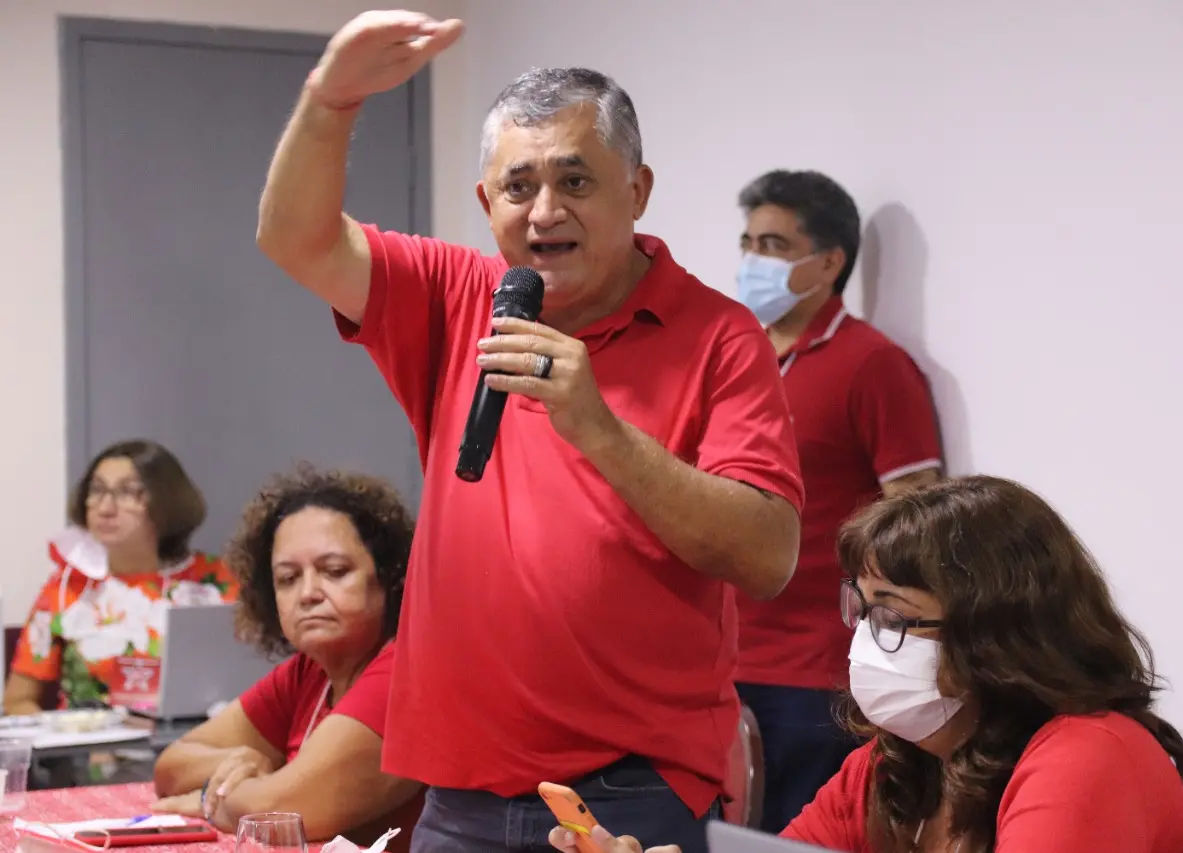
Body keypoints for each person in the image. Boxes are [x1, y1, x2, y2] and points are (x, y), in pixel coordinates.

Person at [254, 10, 804, 853]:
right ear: (487, 202)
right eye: (518, 187)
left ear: (638, 190)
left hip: (627, 794)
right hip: (457, 793)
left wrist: (599, 428)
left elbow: (766, 556)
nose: (544, 210)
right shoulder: (457, 293)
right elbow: (295, 239)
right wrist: (331, 100)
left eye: (575, 181)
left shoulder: (721, 336)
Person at [548, 476, 1183, 853]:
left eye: (892, 616)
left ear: (994, 633)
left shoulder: (1089, 754)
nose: (865, 640)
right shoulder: (899, 761)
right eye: (861, 610)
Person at [732, 170, 943, 832]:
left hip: (816, 672)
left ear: (828, 262)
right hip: (719, 663)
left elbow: (918, 521)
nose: (751, 261)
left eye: (771, 243)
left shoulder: (872, 364)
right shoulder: (737, 359)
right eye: (747, 242)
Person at [151, 466, 422, 852]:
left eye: (334, 571)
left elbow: (280, 812)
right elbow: (170, 766)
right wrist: (243, 760)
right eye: (288, 578)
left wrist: (208, 799)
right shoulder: (309, 672)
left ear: (389, 576)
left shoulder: (403, 669)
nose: (308, 593)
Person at [5, 439, 236, 715]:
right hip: (89, 751)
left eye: (128, 493)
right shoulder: (68, 586)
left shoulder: (216, 581)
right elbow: (17, 702)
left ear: (168, 500)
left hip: (195, 746)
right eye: (97, 490)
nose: (105, 508)